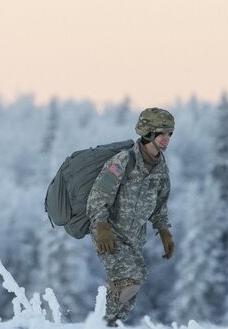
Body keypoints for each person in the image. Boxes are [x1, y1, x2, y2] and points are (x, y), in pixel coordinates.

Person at [86, 108, 175, 326]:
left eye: (170, 134)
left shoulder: (161, 169)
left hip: (135, 237)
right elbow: (98, 195)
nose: (166, 139)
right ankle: (102, 322)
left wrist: (164, 231)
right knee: (127, 279)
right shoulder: (124, 161)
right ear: (148, 134)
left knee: (135, 280)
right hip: (110, 232)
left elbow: (160, 204)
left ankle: (110, 323)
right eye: (161, 133)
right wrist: (101, 226)